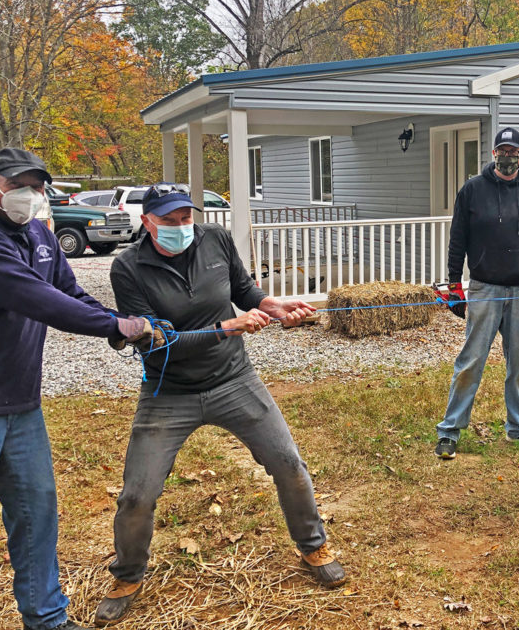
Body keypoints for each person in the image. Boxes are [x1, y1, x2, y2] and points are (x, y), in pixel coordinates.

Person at [0, 148, 153, 630]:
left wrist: (116, 322)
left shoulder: (41, 236)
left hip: (18, 404)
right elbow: (38, 299)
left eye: (39, 186)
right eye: (21, 185)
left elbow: (69, 292)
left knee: (36, 512)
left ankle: (46, 618)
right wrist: (121, 327)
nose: (32, 195)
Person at [94, 183, 346, 627]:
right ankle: (128, 575)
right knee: (138, 494)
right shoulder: (128, 268)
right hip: (167, 393)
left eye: (185, 217)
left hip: (234, 381)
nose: (180, 227)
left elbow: (245, 290)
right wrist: (226, 328)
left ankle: (313, 546)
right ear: (147, 221)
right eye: (168, 220)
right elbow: (156, 345)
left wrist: (274, 304)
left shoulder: (216, 240)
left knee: (288, 463)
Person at [434, 127, 519, 460]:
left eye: (513, 151)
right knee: (471, 361)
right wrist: (454, 285)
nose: (507, 156)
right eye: (501, 151)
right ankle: (450, 430)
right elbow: (457, 240)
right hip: (484, 288)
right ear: (493, 154)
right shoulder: (472, 191)